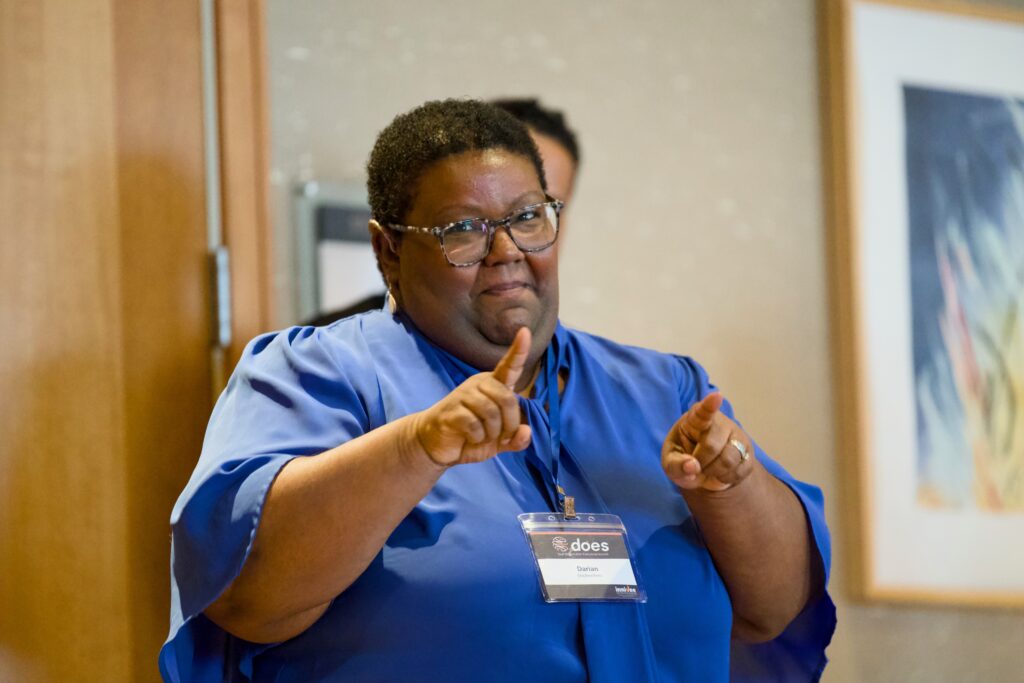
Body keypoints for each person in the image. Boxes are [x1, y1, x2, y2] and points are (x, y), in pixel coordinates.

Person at [161, 99, 835, 682]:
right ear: (388, 250)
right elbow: (247, 594)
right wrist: (413, 450)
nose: (506, 248)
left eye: (528, 216)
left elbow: (775, 607)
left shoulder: (663, 390)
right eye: (463, 230)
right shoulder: (318, 377)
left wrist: (730, 483)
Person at [303, 97, 579, 326]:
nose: (507, 249)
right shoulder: (329, 365)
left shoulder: (590, 368)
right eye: (467, 224)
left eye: (529, 213)